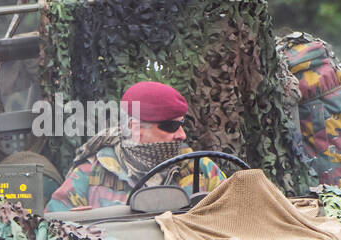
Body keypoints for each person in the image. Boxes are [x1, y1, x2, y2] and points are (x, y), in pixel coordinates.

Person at [46, 81, 225, 211]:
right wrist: (75, 225)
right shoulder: (91, 172)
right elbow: (56, 228)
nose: (182, 135)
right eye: (170, 126)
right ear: (135, 128)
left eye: (182, 124)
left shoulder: (199, 168)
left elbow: (238, 218)